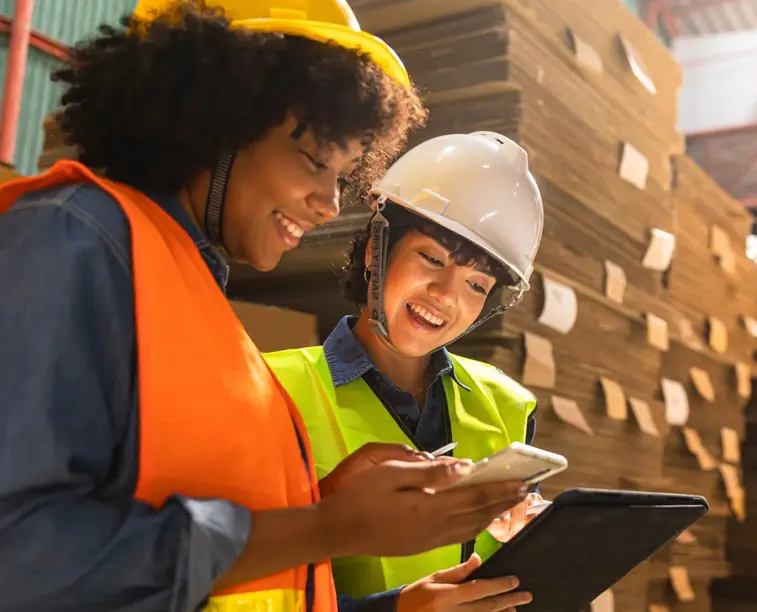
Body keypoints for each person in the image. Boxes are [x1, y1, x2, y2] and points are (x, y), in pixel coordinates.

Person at [0, 2, 531, 611]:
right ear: (213, 121)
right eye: (314, 161)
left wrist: (361, 561)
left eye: (344, 174)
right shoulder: (75, 240)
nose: (331, 203)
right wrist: (330, 527)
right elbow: (20, 559)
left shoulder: (187, 289)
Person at [263, 130, 547, 610]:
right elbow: (244, 585)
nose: (446, 295)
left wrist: (540, 535)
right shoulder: (272, 389)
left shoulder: (507, 405)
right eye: (432, 258)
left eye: (476, 285)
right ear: (377, 250)